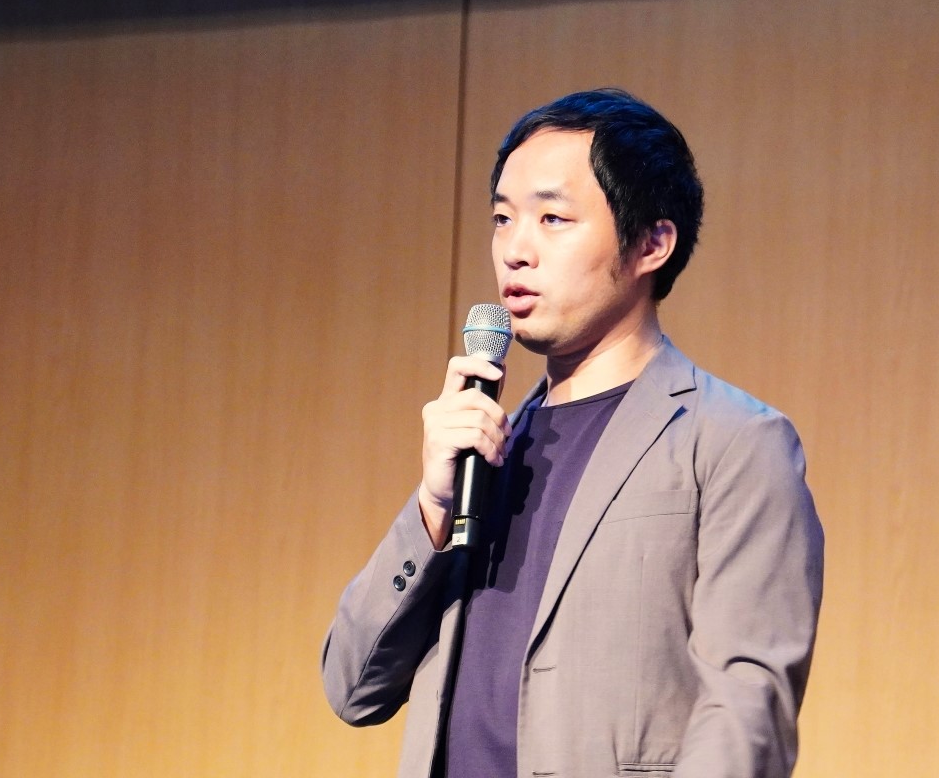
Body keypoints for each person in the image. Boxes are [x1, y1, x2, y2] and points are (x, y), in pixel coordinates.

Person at [321, 88, 824, 778]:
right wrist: (432, 509)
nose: (515, 251)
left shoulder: (734, 441)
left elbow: (747, 713)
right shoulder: (487, 449)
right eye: (502, 219)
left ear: (651, 243)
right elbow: (352, 688)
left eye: (552, 218)